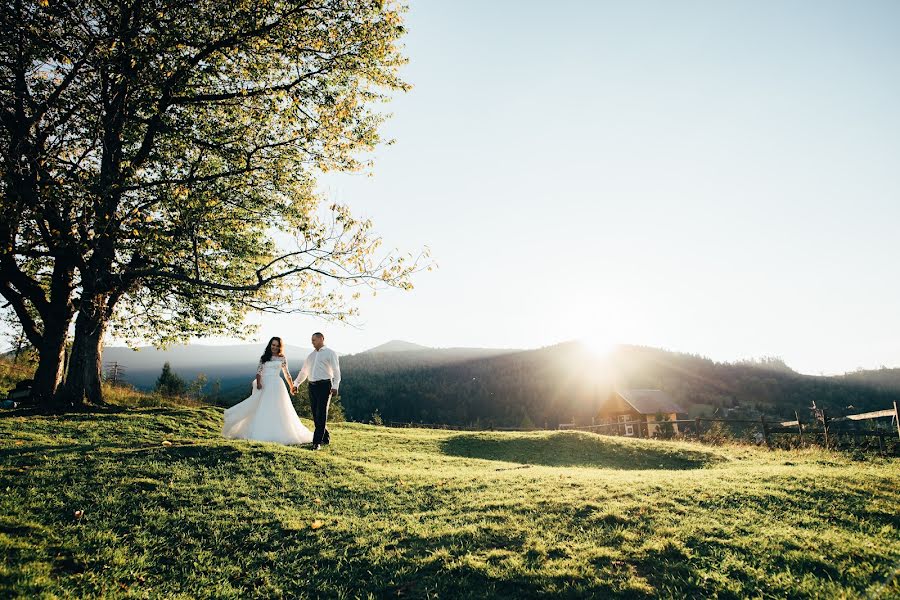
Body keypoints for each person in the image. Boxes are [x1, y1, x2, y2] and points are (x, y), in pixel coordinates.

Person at [222, 337, 313, 445]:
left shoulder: (282, 358)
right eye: (273, 345)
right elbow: (259, 372)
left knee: (279, 407)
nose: (274, 347)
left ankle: (278, 432)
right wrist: (259, 383)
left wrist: (291, 386)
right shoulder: (264, 357)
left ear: (280, 347)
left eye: (277, 345)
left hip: (277, 385)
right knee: (261, 406)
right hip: (265, 384)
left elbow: (286, 373)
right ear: (270, 345)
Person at [293, 332, 341, 450]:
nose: (312, 342)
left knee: (321, 413)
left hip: (325, 386)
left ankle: (316, 442)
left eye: (314, 340)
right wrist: (296, 383)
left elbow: (336, 371)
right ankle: (325, 437)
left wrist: (335, 386)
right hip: (312, 386)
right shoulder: (311, 356)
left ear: (321, 339)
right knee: (315, 414)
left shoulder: (330, 353)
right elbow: (304, 371)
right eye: (311, 340)